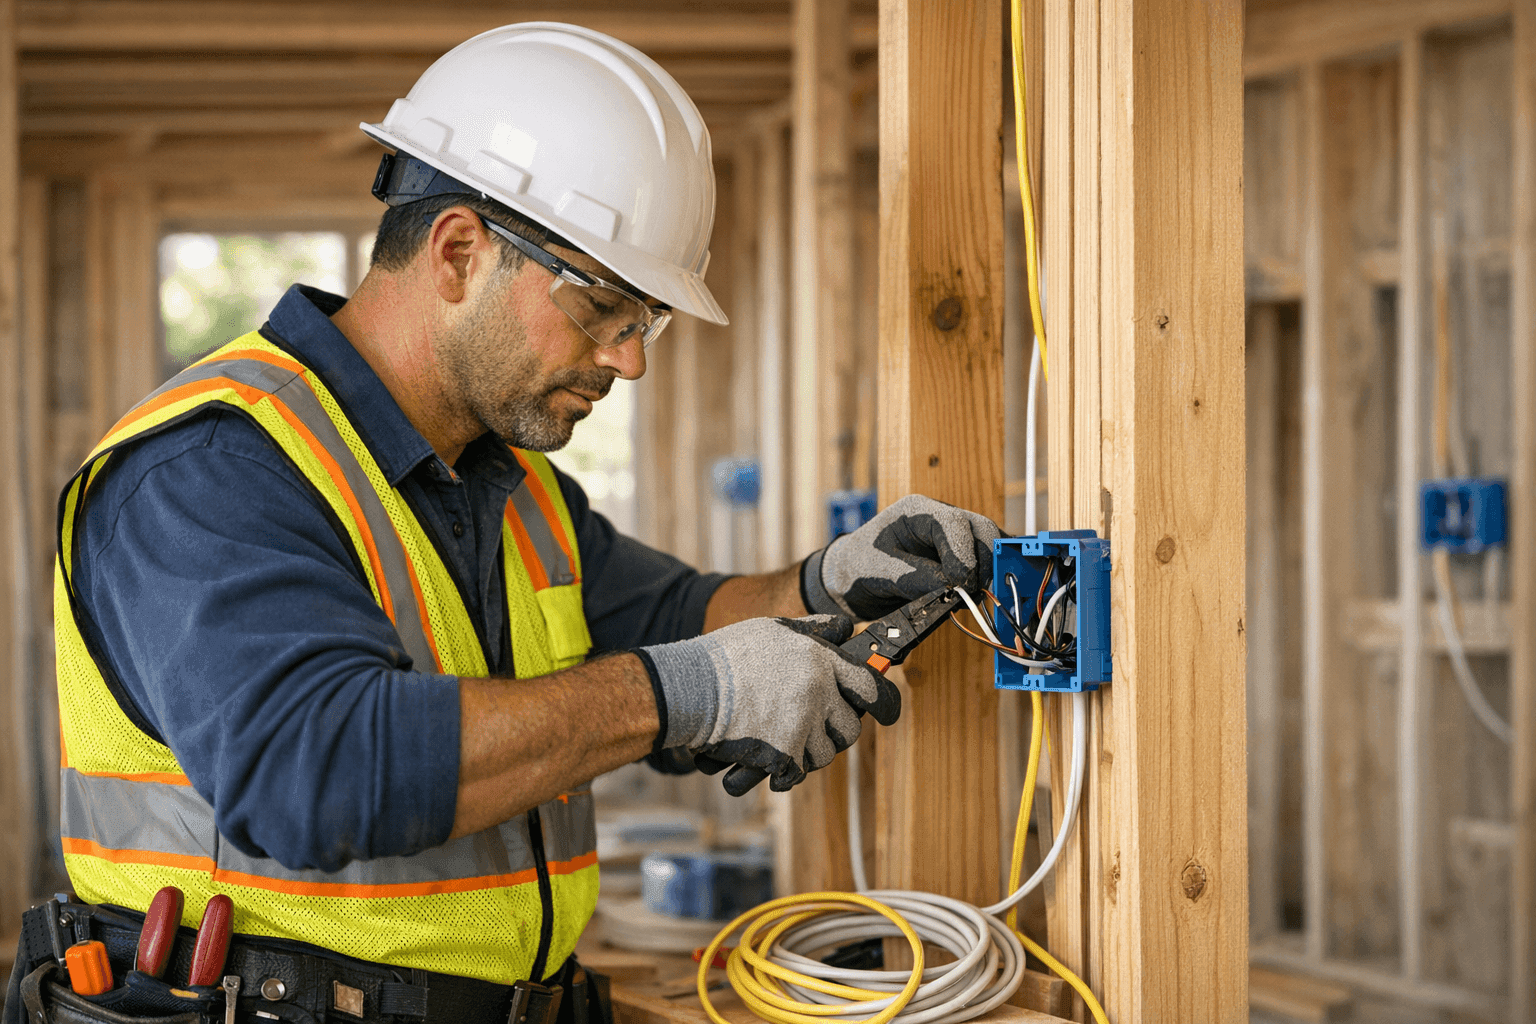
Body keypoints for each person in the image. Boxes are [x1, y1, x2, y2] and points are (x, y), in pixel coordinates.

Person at [29, 22, 1002, 1024]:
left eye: (646, 322)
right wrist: (687, 694)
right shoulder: (214, 470)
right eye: (602, 309)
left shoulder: (509, 485)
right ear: (457, 251)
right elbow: (315, 767)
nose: (630, 360)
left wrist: (824, 588)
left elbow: (663, 621)